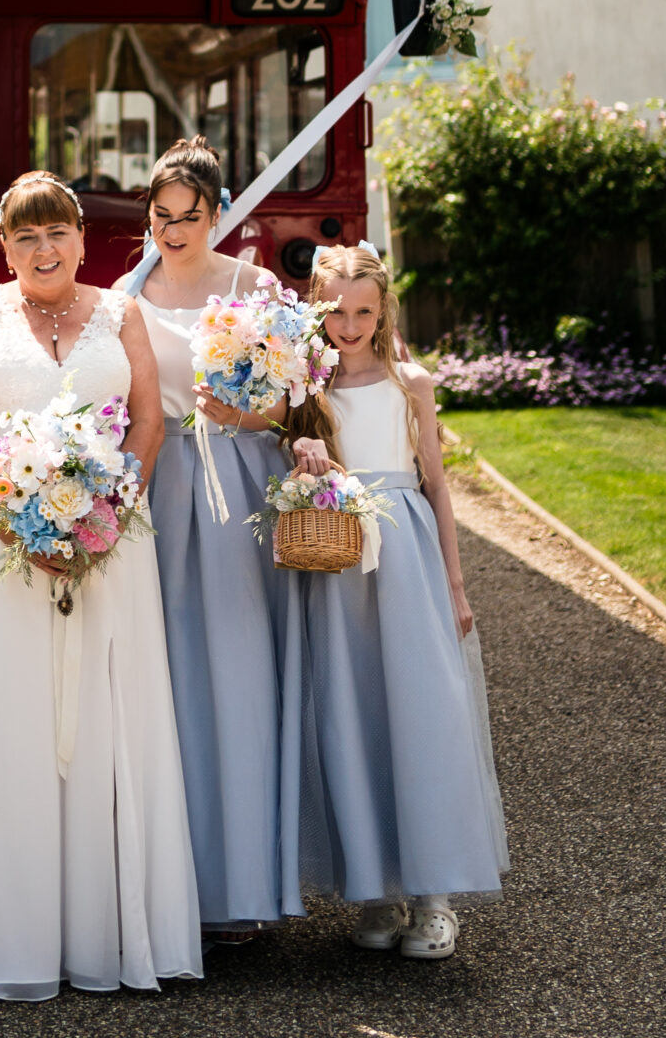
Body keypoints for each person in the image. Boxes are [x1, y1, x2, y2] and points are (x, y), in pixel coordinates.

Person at [0, 173, 202, 1000]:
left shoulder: (122, 312)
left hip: (112, 542)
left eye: (57, 234)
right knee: (13, 723)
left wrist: (108, 512)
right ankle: (9, 935)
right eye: (24, 238)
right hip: (1, 546)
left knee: (112, 720)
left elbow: (147, 420)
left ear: (82, 236)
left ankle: (110, 935)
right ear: (3, 247)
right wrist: (9, 513)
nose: (43, 251)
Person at [288, 243, 508, 958]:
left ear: (382, 309)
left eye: (361, 311)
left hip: (407, 555)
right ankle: (376, 890)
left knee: (420, 710)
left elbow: (437, 487)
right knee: (350, 712)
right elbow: (293, 468)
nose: (347, 326)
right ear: (316, 310)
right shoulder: (304, 387)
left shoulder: (408, 382)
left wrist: (454, 582)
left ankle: (435, 897)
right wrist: (303, 455)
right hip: (340, 560)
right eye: (334, 312)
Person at [137, 137, 306, 933]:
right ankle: (170, 885)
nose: (173, 232)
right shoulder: (124, 294)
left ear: (218, 214)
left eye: (189, 218)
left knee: (238, 668)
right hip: (159, 483)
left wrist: (232, 411)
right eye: (162, 217)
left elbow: (287, 403)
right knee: (163, 672)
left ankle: (241, 884)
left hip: (237, 480)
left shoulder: (255, 286)